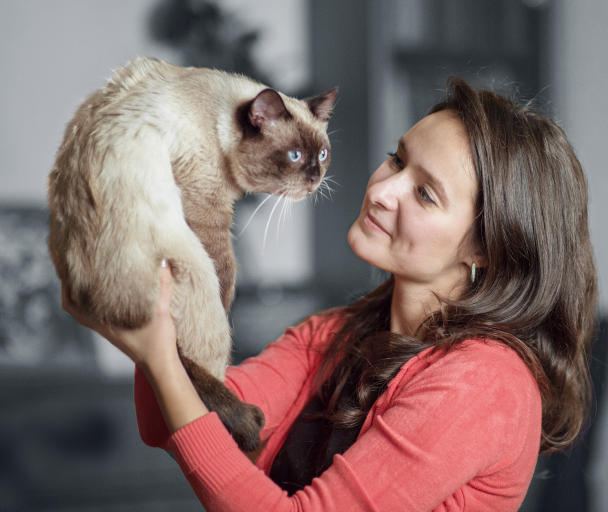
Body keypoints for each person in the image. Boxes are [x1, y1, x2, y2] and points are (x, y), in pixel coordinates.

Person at [62, 77, 598, 511]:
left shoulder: (485, 384)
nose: (382, 189)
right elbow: (181, 422)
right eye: (396, 159)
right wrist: (140, 282)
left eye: (425, 193)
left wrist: (158, 354)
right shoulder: (334, 334)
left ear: (485, 249)